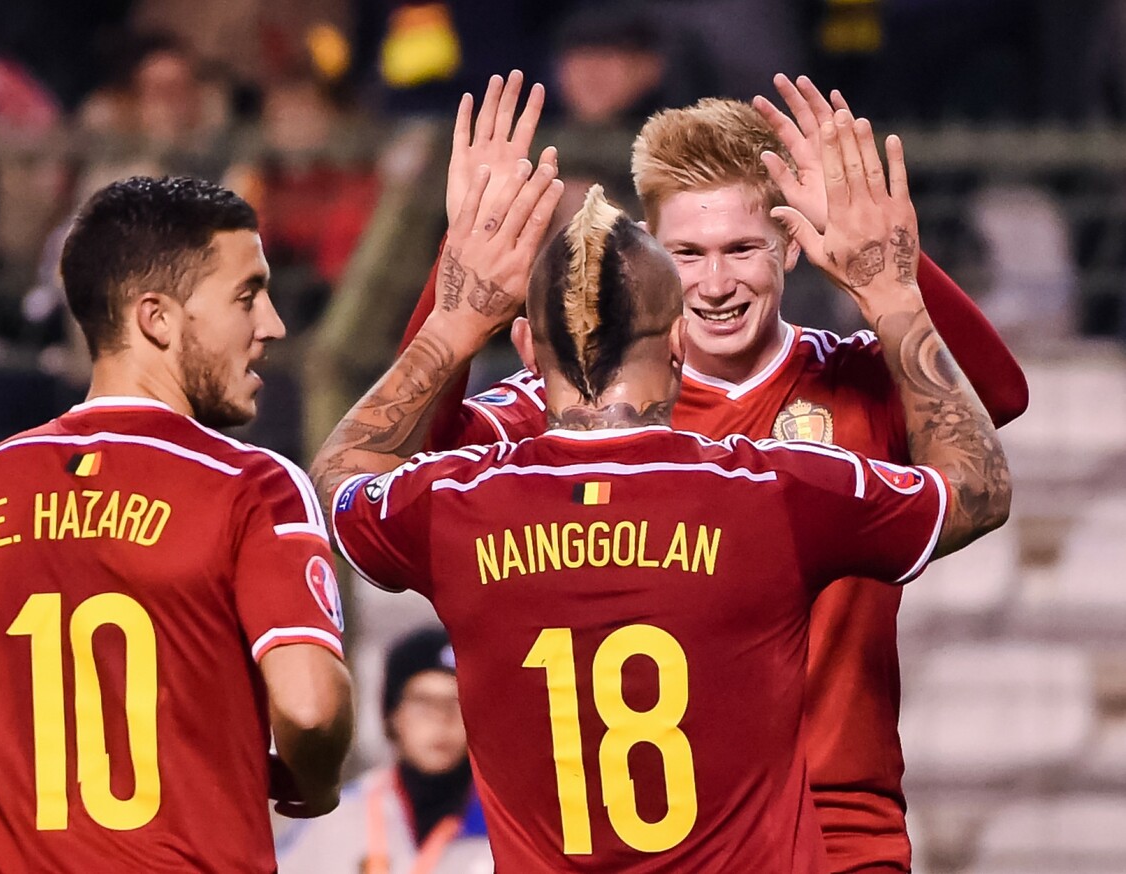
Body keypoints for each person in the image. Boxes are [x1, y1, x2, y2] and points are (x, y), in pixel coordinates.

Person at [311, 106, 1011, 870]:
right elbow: (432, 449)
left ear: (793, 243)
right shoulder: (573, 413)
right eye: (687, 253)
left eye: (741, 248)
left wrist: (896, 271)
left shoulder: (854, 375)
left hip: (838, 814)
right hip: (661, 820)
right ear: (652, 262)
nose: (716, 282)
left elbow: (996, 396)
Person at [0, 176, 354, 872]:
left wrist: (37, 726)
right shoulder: (252, 487)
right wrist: (318, 778)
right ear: (157, 319)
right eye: (247, 296)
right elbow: (310, 708)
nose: (273, 325)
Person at [279, 627, 493, 874]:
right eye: (424, 702)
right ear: (392, 714)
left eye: (457, 703)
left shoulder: (505, 827)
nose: (442, 719)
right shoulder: (336, 819)